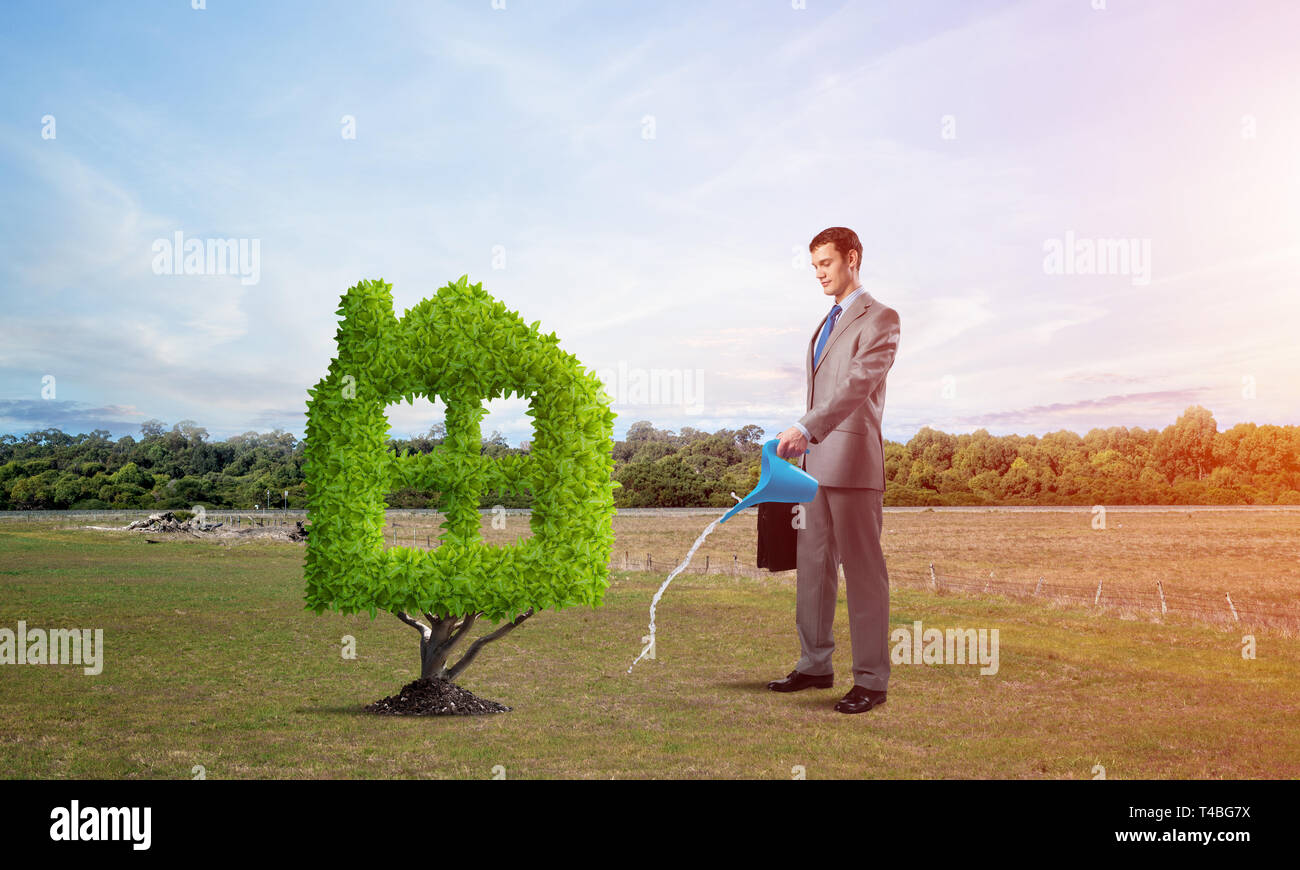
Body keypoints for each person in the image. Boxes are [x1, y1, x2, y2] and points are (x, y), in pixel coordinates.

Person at [768, 226, 901, 714]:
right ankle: (814, 665)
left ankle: (871, 680)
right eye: (814, 267)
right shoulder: (824, 323)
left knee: (864, 574)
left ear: (853, 258)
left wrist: (807, 426)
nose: (819, 274)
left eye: (825, 263)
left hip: (853, 463)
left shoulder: (881, 318)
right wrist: (800, 443)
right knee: (813, 569)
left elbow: (857, 385)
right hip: (812, 465)